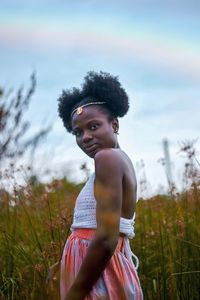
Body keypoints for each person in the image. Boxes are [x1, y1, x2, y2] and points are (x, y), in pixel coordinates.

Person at [48, 71, 143, 299]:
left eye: (93, 126)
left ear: (114, 124)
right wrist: (64, 264)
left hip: (99, 275)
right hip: (96, 268)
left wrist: (76, 293)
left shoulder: (107, 158)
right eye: (78, 132)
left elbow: (106, 238)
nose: (85, 137)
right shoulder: (118, 159)